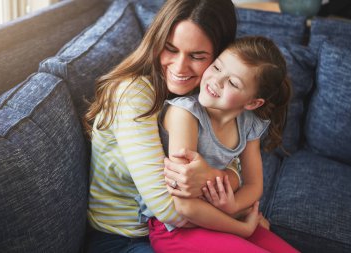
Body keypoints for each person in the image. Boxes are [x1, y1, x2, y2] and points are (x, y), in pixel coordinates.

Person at [83, 0, 240, 252]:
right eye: (170, 49)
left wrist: (213, 177)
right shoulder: (133, 94)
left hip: (186, 230)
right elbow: (168, 209)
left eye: (197, 56)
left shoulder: (208, 92)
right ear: (156, 41)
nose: (179, 68)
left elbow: (233, 161)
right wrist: (236, 213)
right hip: (126, 238)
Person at [149, 36, 299, 253]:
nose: (216, 81)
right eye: (217, 67)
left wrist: (233, 206)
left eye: (233, 82)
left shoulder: (249, 124)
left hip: (220, 217)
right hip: (177, 228)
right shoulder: (185, 114)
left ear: (252, 103)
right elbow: (184, 205)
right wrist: (241, 228)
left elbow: (254, 185)